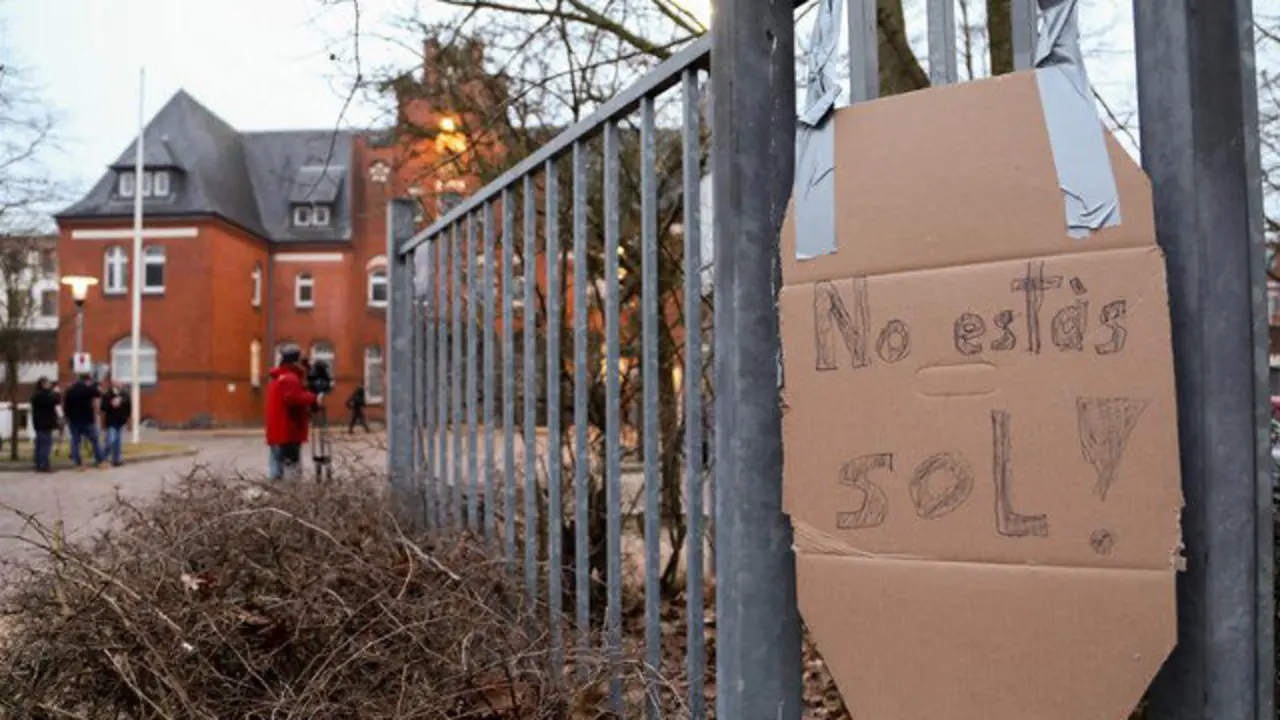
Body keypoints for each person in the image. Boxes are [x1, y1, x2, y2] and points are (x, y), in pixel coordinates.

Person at [265, 348, 318, 480]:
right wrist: (313, 397)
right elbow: (294, 399)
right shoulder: (290, 379)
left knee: (276, 469)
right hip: (288, 432)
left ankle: (276, 495)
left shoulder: (277, 378)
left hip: (277, 432)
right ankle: (289, 496)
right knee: (291, 471)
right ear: (294, 362)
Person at [62, 374, 104, 468]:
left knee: (75, 441)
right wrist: (97, 411)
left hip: (73, 420)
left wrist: (66, 417)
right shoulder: (90, 389)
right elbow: (97, 400)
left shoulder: (70, 391)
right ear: (87, 381)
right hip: (87, 419)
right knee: (95, 440)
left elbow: (65, 406)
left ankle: (77, 462)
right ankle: (99, 460)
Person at [29, 378, 59, 473]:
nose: (49, 385)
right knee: (45, 445)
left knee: (39, 445)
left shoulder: (35, 395)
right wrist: (56, 393)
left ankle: (38, 464)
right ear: (43, 384)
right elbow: (55, 401)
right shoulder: (44, 395)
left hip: (38, 423)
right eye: (47, 383)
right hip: (45, 423)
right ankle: (44, 465)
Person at [101, 379, 132, 467]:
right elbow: (103, 409)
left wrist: (128, 422)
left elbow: (129, 408)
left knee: (118, 441)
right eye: (116, 384)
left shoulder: (125, 395)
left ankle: (116, 460)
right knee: (111, 440)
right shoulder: (107, 395)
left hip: (120, 421)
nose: (118, 385)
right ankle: (103, 457)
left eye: (119, 384)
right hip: (111, 422)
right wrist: (102, 423)